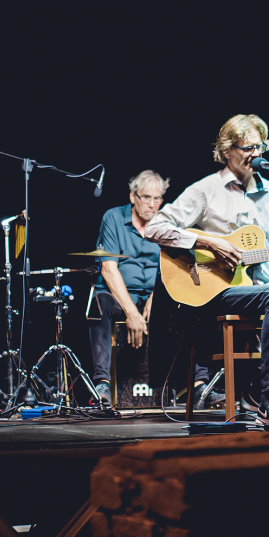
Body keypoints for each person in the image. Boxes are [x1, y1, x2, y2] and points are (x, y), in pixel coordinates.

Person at [144, 114, 269, 427]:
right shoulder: (206, 190)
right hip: (216, 292)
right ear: (227, 150)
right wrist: (208, 242)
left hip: (262, 293)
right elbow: (154, 227)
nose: (254, 154)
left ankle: (256, 391)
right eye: (246, 148)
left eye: (259, 147)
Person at [88, 170, 168, 406]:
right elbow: (109, 270)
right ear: (133, 196)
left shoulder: (167, 222)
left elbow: (175, 267)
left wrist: (157, 296)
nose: (152, 205)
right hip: (120, 297)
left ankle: (197, 384)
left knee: (191, 304)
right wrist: (132, 313)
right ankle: (101, 382)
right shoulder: (113, 218)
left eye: (157, 199)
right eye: (145, 198)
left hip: (154, 297)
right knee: (99, 303)